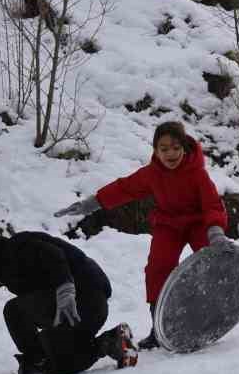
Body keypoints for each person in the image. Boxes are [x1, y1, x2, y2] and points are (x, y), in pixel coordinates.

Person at [55, 121, 228, 349]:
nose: (170, 153)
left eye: (176, 147)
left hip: (199, 223)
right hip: (169, 224)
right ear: (155, 150)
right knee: (158, 268)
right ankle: (159, 327)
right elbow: (124, 188)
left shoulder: (198, 175)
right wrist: (91, 203)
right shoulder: (152, 174)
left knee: (212, 260)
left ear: (184, 148)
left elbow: (212, 205)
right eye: (164, 148)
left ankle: (212, 313)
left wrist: (215, 231)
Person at [0, 231, 137, 374]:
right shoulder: (9, 263)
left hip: (82, 299)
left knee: (14, 310)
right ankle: (111, 342)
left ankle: (36, 366)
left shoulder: (17, 249)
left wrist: (65, 290)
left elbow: (54, 255)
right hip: (85, 308)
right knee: (56, 362)